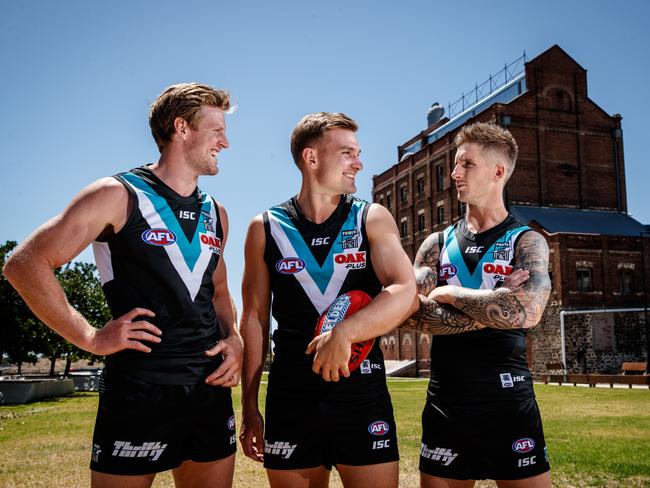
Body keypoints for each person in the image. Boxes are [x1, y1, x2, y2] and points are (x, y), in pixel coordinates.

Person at [2, 83, 243, 488]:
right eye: (216, 130)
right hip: (139, 390)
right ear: (181, 128)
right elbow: (25, 264)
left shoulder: (215, 212)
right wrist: (92, 338)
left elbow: (218, 290)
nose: (226, 142)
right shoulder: (117, 194)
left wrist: (233, 338)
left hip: (207, 389)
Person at [239, 112, 417, 488]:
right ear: (312, 158)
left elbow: (405, 289)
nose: (359, 163)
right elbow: (254, 318)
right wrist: (249, 406)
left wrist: (345, 333)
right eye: (347, 153)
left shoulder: (371, 218)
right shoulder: (265, 227)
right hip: (291, 396)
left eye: (358, 152)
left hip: (361, 393)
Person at [401, 122, 552, 488]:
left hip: (508, 399)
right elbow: (411, 311)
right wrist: (497, 303)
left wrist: (451, 295)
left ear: (498, 172)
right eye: (455, 164)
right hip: (445, 401)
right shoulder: (435, 244)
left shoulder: (527, 241)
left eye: (466, 164)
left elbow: (529, 312)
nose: (454, 173)